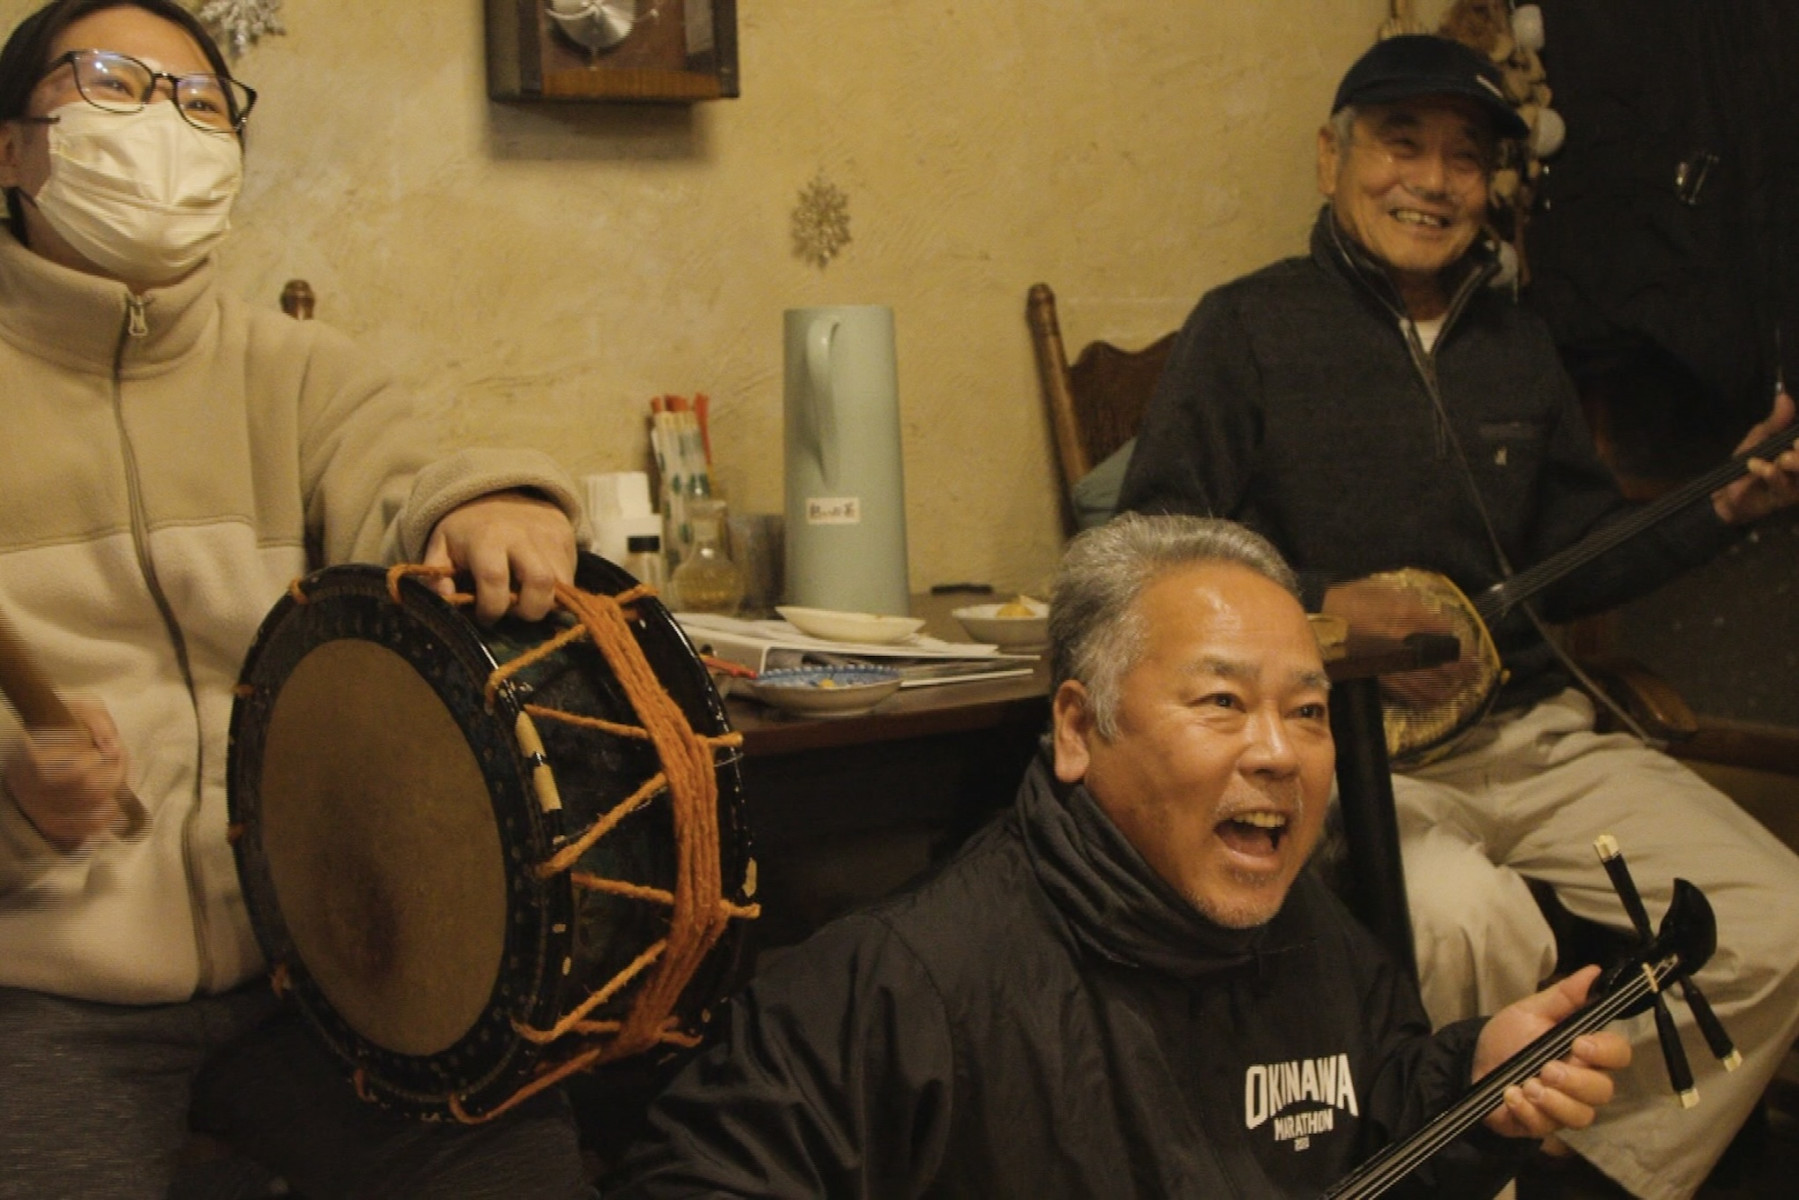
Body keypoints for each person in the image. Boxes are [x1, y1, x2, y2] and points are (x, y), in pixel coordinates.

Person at [1117, 33, 1799, 1200]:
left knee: (1773, 920)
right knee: (1465, 921)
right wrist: (1317, 605)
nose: (1430, 182)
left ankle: (1576, 1174)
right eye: (1400, 144)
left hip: (1529, 740)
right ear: (1329, 156)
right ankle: (1451, 1172)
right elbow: (1144, 544)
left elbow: (1574, 558)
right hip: (1354, 759)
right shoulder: (1245, 327)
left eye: (1464, 159)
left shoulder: (1515, 342)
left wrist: (1723, 505)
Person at [0, 2, 593, 1195]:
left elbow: (406, 486)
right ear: (9, 150)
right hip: (47, 983)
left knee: (518, 1155)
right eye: (111, 83)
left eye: (201, 103)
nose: (164, 123)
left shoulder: (296, 370)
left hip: (319, 962)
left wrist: (491, 502)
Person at [608, 513, 1631, 1198]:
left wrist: (1466, 1084)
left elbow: (1372, 1131)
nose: (1276, 752)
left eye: (1306, 712)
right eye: (1221, 702)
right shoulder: (903, 984)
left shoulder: (1311, 936)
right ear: (1075, 728)